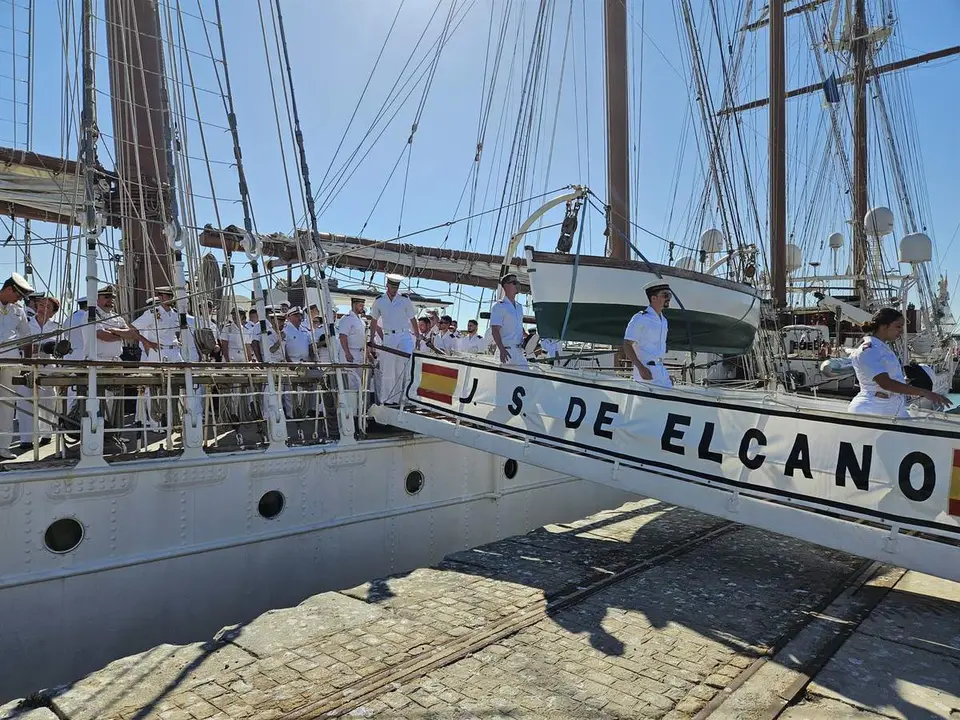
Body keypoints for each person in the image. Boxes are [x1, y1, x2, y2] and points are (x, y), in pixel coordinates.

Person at [847, 307, 951, 417]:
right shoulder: (869, 350)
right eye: (898, 326)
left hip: (891, 408)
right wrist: (925, 392)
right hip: (872, 409)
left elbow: (886, 380)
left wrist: (905, 381)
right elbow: (885, 383)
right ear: (883, 326)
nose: (901, 331)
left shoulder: (882, 348)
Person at [17, 294, 63, 449]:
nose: (43, 308)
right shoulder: (26, 324)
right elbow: (18, 343)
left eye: (48, 307)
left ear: (53, 312)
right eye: (41, 305)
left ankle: (46, 434)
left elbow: (61, 349)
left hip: (48, 368)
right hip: (27, 367)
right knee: (25, 401)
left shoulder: (57, 327)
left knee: (48, 401)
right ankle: (26, 438)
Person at [369, 274, 420, 405]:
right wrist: (372, 339)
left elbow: (413, 319)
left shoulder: (404, 299)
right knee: (388, 368)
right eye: (392, 287)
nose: (394, 290)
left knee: (404, 366)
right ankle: (387, 399)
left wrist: (418, 337)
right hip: (389, 336)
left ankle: (405, 398)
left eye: (396, 287)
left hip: (404, 335)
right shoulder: (379, 300)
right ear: (387, 286)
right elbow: (374, 321)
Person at [0, 273, 36, 457]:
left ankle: (3, 447)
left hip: (10, 361)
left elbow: (26, 337)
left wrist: (27, 363)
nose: (19, 299)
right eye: (18, 295)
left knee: (7, 405)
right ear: (8, 289)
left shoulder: (17, 310)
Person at [623, 280, 672, 388]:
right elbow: (627, 344)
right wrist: (640, 368)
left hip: (661, 369)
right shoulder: (640, 318)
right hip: (646, 370)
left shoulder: (664, 321)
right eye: (665, 295)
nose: (668, 298)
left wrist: (665, 374)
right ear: (653, 298)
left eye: (669, 295)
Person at [490, 273, 527, 367]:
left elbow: (518, 327)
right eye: (514, 283)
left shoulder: (519, 307)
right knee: (505, 381)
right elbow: (495, 330)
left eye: (518, 282)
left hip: (520, 352)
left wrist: (529, 338)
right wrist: (502, 349)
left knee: (527, 379)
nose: (518, 285)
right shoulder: (499, 306)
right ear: (505, 286)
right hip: (506, 351)